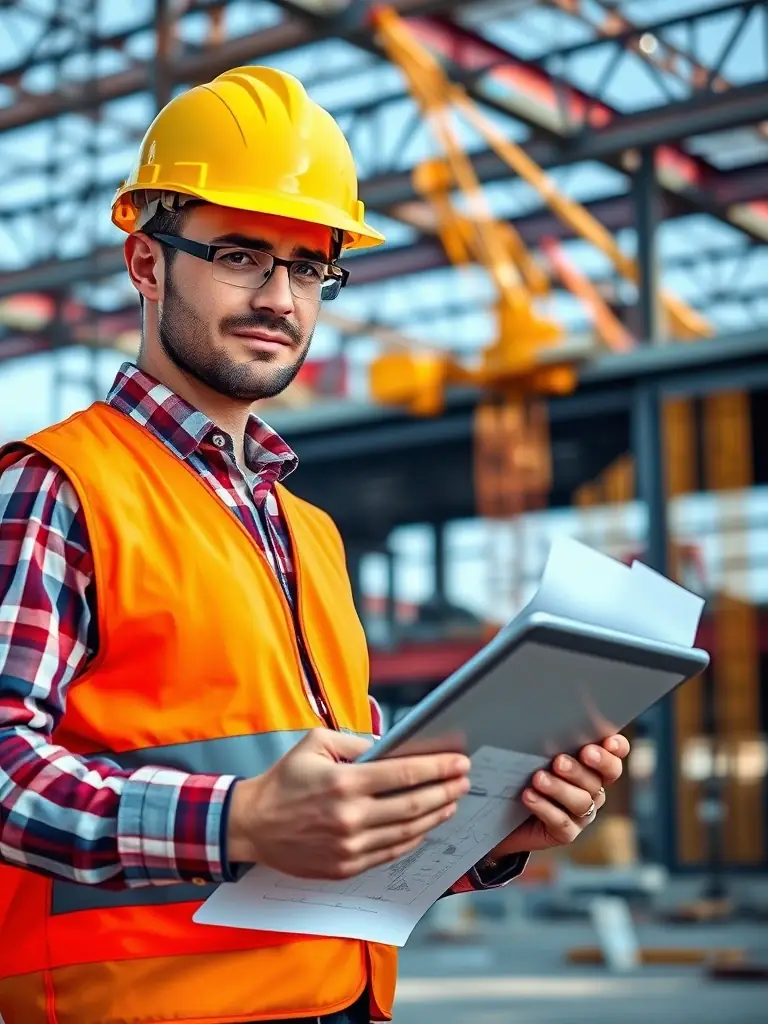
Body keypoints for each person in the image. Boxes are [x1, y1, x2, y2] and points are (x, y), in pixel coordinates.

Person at [0, 66, 629, 1024]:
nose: (281, 298)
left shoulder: (310, 535)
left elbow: (353, 811)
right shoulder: (56, 485)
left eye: (307, 267)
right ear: (147, 263)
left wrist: (500, 825)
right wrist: (237, 819)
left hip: (340, 1004)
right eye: (242, 254)